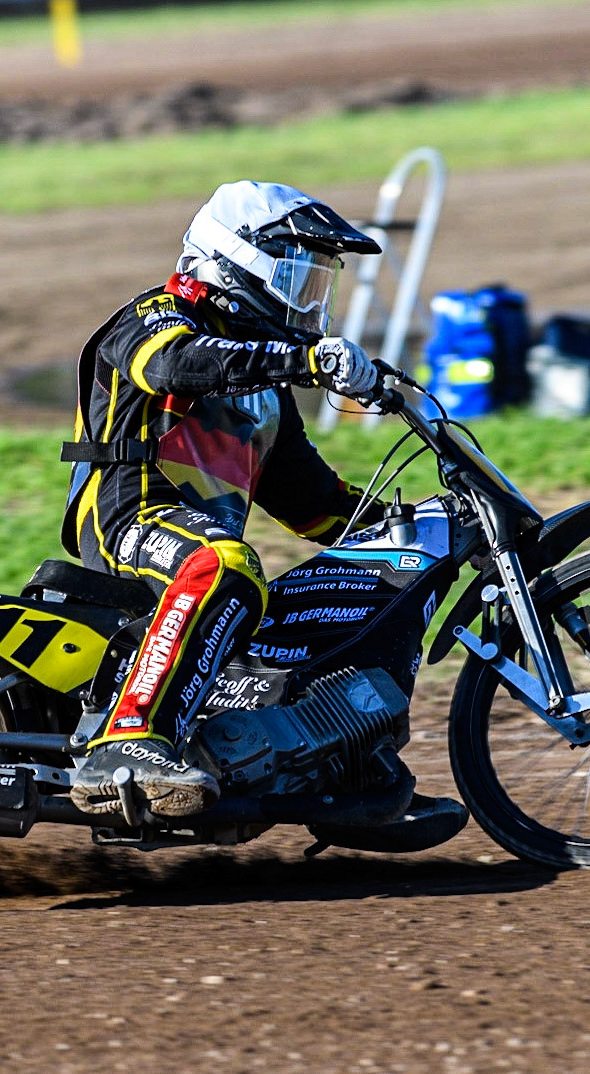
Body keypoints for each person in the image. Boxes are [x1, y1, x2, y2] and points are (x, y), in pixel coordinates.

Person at [61, 180, 387, 817]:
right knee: (225, 566)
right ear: (241, 260)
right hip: (128, 516)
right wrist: (305, 360)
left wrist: (408, 525)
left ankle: (344, 774)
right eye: (301, 275)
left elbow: (311, 503)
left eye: (322, 279)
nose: (312, 297)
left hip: (199, 543)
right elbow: (174, 366)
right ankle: (127, 742)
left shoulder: (268, 390)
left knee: (328, 602)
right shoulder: (157, 317)